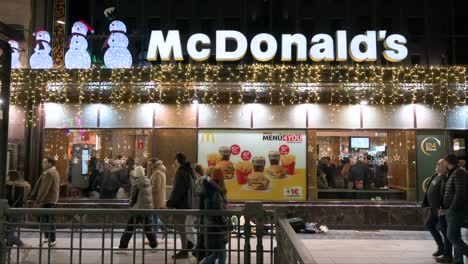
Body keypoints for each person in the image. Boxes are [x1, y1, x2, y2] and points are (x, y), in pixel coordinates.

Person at [117, 166, 158, 251]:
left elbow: (134, 198)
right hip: (146, 208)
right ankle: (154, 244)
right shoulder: (147, 181)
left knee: (129, 227)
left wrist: (131, 207)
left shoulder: (137, 183)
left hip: (138, 209)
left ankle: (123, 245)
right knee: (147, 227)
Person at [166, 152, 196, 259]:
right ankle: (188, 244)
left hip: (181, 204)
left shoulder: (181, 172)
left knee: (180, 226)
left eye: (175, 160)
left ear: (177, 160)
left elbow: (178, 190)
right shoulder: (189, 171)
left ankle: (184, 250)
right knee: (177, 224)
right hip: (187, 203)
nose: (173, 163)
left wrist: (170, 202)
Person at [422, 159, 452, 262]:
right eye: (437, 163)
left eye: (440, 164)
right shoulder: (436, 175)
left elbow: (446, 194)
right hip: (433, 207)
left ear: (445, 166)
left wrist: (443, 207)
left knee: (445, 231)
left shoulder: (446, 177)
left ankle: (448, 255)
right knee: (429, 225)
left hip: (441, 209)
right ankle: (441, 247)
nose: (437, 165)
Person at [440, 154, 468, 264]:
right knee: (455, 236)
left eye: (444, 162)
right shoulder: (451, 173)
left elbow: (460, 193)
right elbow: (448, 192)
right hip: (451, 210)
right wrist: (445, 208)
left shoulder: (460, 172)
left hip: (456, 210)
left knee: (452, 236)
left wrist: (451, 209)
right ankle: (458, 261)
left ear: (447, 162)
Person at [199, 168, 228, 264]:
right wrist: (225, 225)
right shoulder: (215, 191)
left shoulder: (208, 188)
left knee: (216, 253)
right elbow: (218, 211)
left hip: (209, 224)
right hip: (216, 226)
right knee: (221, 253)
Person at [30, 157, 61, 247]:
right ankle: (48, 238)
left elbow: (44, 189)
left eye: (45, 162)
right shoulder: (54, 172)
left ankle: (52, 240)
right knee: (46, 219)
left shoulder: (49, 173)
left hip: (47, 200)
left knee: (48, 220)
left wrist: (38, 200)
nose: (42, 164)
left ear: (50, 164)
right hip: (51, 199)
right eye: (43, 162)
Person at [5, 171, 31, 261]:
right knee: (10, 232)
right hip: (19, 211)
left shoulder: (9, 185)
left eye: (7, 176)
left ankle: (23, 246)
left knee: (8, 233)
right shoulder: (24, 185)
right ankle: (7, 254)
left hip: (11, 211)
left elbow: (7, 199)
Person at [150, 158, 167, 235]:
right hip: (159, 197)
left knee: (154, 216)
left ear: (154, 164)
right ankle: (163, 228)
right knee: (155, 215)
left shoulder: (157, 172)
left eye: (150, 164)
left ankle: (154, 235)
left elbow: (156, 187)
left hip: (156, 198)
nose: (149, 165)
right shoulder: (161, 171)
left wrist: (148, 188)